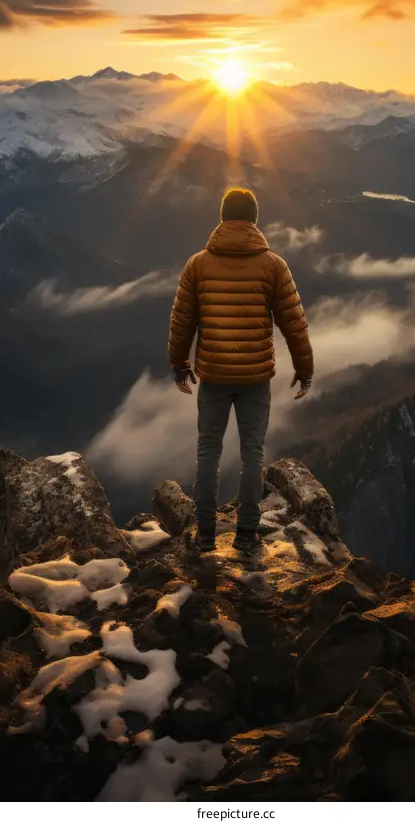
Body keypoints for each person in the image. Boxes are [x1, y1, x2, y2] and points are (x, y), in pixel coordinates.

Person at [168, 187, 314, 554]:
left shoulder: (197, 264)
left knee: (208, 452)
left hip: (214, 375)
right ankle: (246, 537)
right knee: (253, 454)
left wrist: (179, 364)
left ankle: (204, 535)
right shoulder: (273, 265)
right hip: (254, 378)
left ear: (221, 217)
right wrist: (304, 368)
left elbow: (182, 320)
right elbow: (294, 323)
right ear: (254, 219)